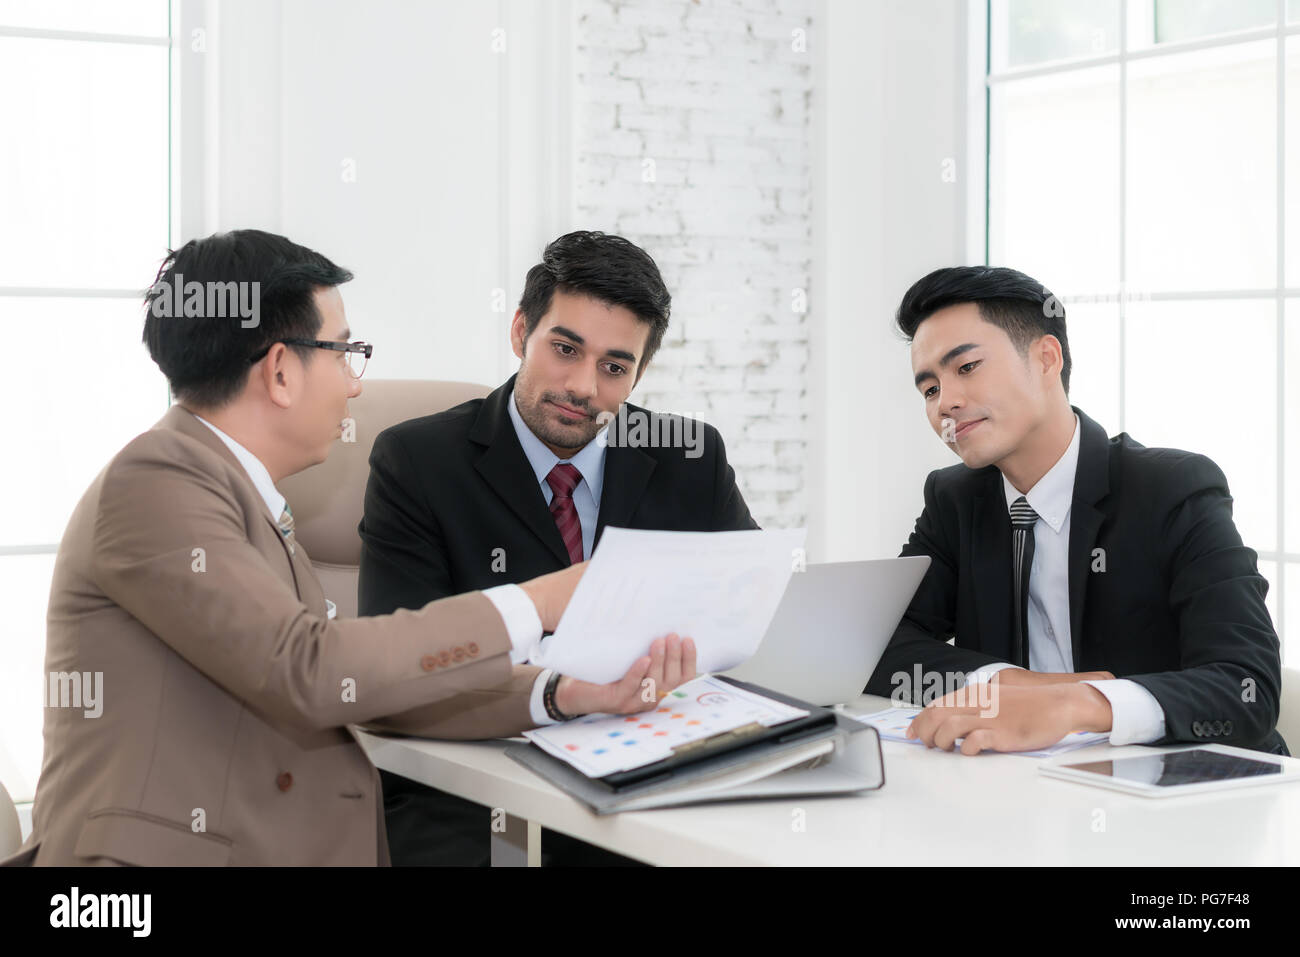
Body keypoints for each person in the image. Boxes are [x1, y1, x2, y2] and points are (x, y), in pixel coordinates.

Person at [3, 229, 693, 867]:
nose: (356, 383)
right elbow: (311, 669)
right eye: (346, 350)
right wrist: (536, 600)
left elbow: (364, 688)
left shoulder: (235, 495)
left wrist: (566, 692)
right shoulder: (155, 480)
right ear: (280, 371)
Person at [359, 229, 757, 864]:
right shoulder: (417, 460)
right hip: (471, 779)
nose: (582, 387)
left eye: (614, 367)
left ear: (640, 372)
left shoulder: (692, 456)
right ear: (521, 332)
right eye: (565, 349)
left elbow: (747, 609)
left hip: (645, 763)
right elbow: (394, 665)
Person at [865, 265, 1286, 756]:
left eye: (967, 367)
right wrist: (1007, 685)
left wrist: (1078, 704)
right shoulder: (954, 499)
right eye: (930, 388)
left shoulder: (1172, 489)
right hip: (1030, 790)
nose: (946, 404)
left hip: (1188, 789)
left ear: (1046, 359)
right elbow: (879, 644)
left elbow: (1245, 687)